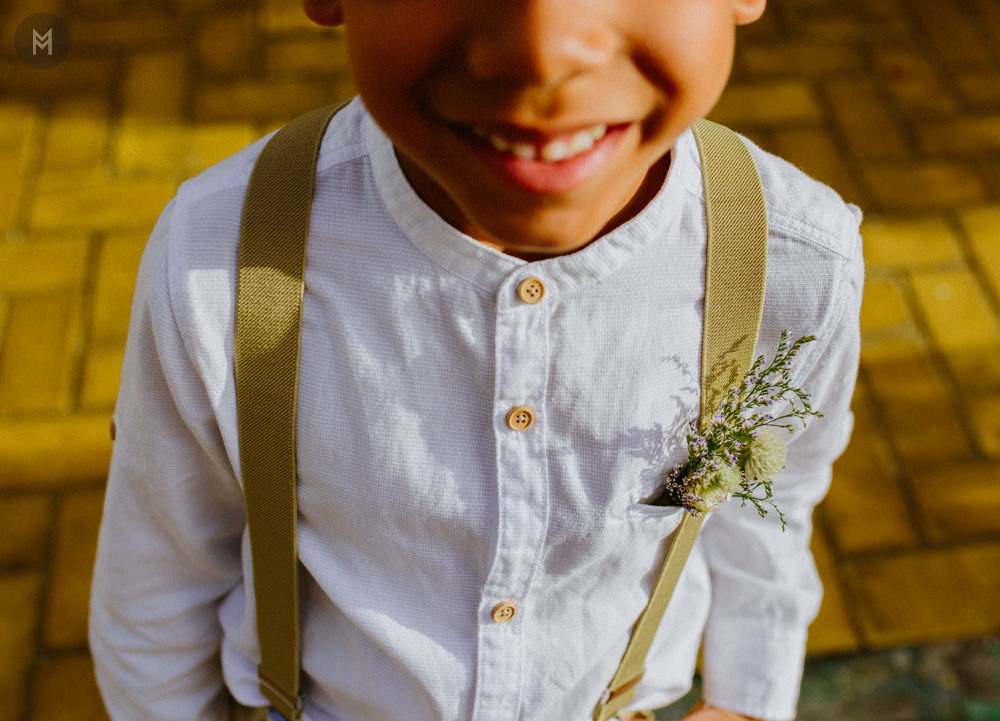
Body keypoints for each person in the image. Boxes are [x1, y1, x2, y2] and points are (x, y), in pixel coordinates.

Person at [89, 0, 863, 719]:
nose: (543, 51)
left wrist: (749, 698)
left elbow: (774, 505)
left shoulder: (796, 263)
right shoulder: (220, 260)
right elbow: (158, 583)